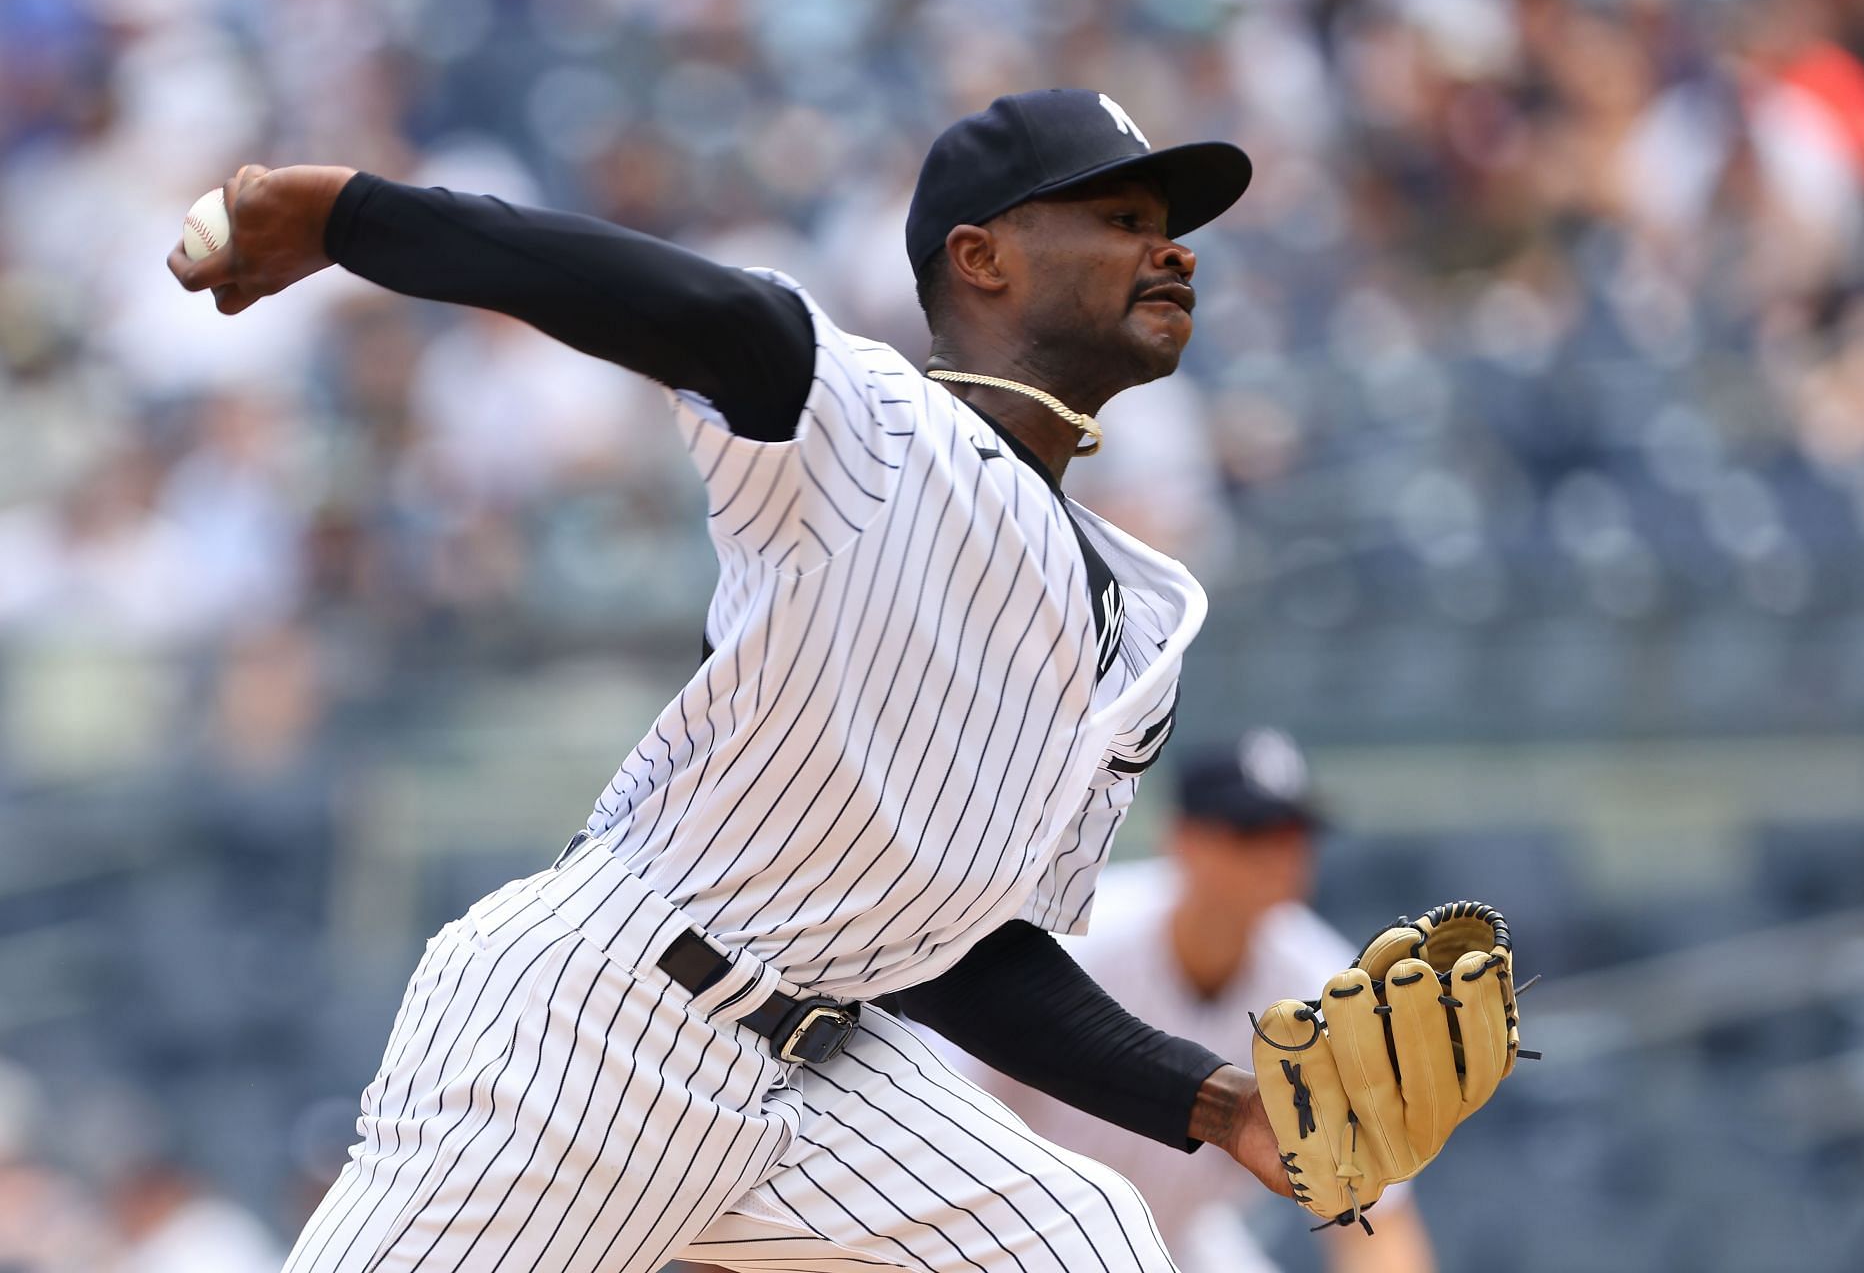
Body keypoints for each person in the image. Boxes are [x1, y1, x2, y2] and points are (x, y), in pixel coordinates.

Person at [168, 89, 1292, 1273]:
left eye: (1168, 226)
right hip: (595, 1035)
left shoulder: (1142, 613)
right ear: (983, 257)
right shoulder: (870, 427)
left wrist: (1213, 1098)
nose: (1169, 247)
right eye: (1120, 216)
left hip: (829, 1076)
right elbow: (690, 307)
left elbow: (963, 952)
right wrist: (353, 217)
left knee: (1085, 1241)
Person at [940, 729, 1438, 1273]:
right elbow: (938, 1119)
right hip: (1001, 1236)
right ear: (1182, 838)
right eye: (1252, 832)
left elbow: (1376, 1224)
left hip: (1173, 1241)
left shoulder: (1328, 991)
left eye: (1295, 833)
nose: (1279, 854)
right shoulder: (1077, 943)